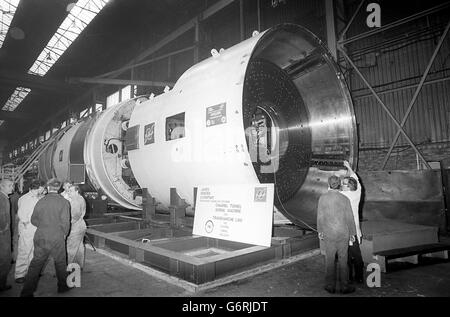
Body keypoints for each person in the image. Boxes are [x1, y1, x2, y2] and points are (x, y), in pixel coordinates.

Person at [20, 179, 72, 297]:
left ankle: (26, 292)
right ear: (59, 189)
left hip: (41, 236)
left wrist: (44, 226)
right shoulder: (64, 202)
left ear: (48, 188)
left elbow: (33, 220)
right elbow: (66, 223)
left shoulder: (40, 201)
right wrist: (64, 234)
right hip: (57, 237)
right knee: (60, 263)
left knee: (36, 264)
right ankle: (62, 287)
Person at [317, 175, 357, 294]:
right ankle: (345, 286)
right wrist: (353, 233)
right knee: (343, 260)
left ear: (328, 184)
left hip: (329, 234)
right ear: (339, 184)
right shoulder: (345, 199)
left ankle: (330, 286)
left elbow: (320, 217)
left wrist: (320, 231)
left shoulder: (322, 198)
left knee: (329, 260)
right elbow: (350, 218)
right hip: (343, 234)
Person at [14, 180, 45, 283]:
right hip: (28, 228)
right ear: (39, 187)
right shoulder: (26, 198)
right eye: (43, 188)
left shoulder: (35, 197)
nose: (44, 190)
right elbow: (22, 214)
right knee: (24, 251)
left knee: (33, 251)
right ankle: (20, 274)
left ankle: (30, 272)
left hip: (34, 228)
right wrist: (26, 224)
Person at [341, 160, 364, 284]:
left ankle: (355, 276)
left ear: (349, 186)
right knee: (350, 255)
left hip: (350, 231)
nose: (342, 185)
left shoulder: (345, 195)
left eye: (344, 184)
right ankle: (356, 276)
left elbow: (332, 190)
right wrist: (348, 167)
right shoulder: (357, 191)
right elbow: (355, 177)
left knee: (353, 254)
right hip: (351, 230)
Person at [66, 185, 87, 268]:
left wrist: (67, 223)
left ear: (76, 191)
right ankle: (79, 265)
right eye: (68, 191)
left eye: (70, 191)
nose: (68, 193)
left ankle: (68, 267)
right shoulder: (81, 198)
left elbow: (75, 216)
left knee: (71, 249)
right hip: (81, 226)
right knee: (79, 247)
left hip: (75, 227)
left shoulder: (76, 201)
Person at [0, 178, 14, 292]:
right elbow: (2, 216)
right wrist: (3, 228)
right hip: (3, 235)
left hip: (4, 233)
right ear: (2, 186)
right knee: (5, 259)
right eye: (9, 185)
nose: (12, 188)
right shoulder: (3, 199)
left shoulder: (4, 197)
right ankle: (1, 285)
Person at [9, 183, 21, 260]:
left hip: (10, 217)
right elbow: (17, 208)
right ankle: (12, 254)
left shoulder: (9, 196)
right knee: (13, 236)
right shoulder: (16, 196)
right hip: (13, 217)